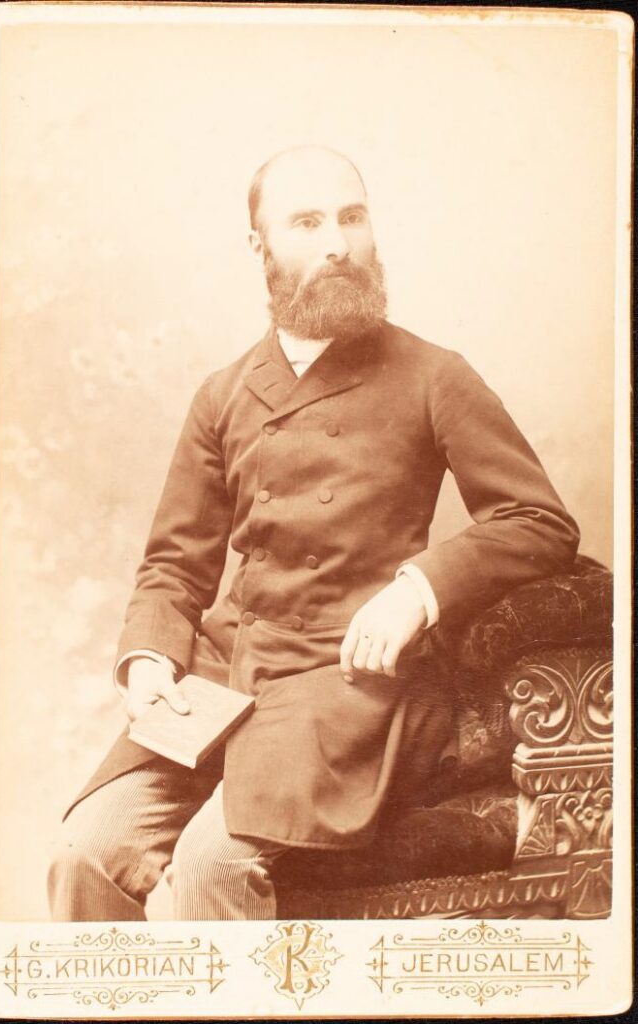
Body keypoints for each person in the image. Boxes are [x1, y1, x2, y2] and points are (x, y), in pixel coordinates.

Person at [49, 145, 579, 921]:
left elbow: (537, 521)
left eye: (351, 218)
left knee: (210, 865)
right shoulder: (223, 393)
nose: (337, 243)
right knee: (84, 852)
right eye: (306, 223)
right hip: (222, 679)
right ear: (259, 246)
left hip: (352, 687)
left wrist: (417, 590)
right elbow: (173, 566)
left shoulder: (433, 375)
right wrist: (149, 660)